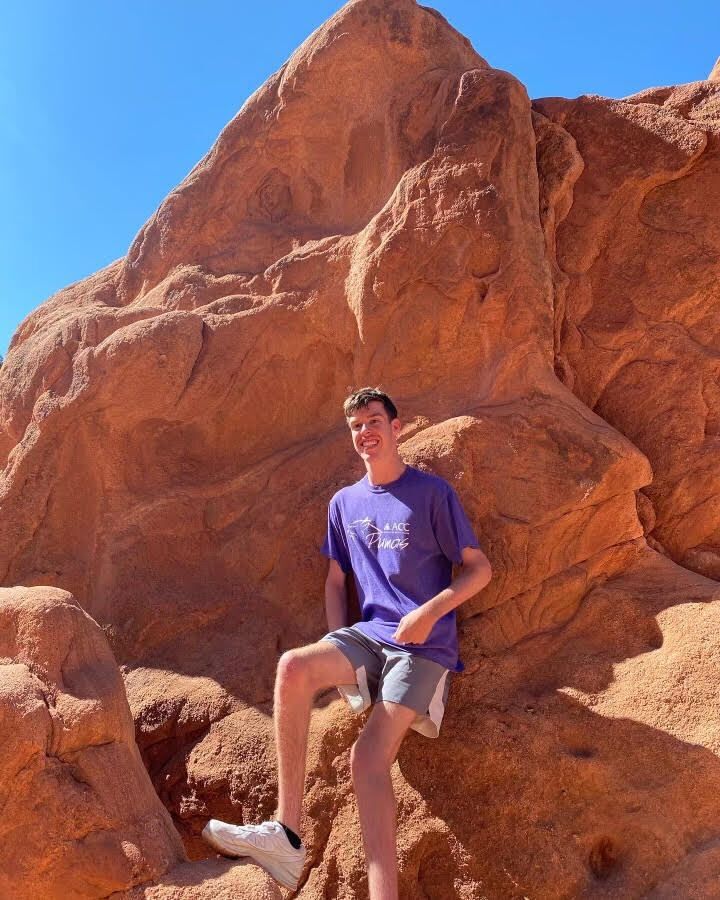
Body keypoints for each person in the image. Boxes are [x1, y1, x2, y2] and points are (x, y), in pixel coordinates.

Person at [202, 387, 492, 897]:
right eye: (356, 426)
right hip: (368, 635)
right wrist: (337, 647)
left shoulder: (431, 493)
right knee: (293, 667)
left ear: (397, 428)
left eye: (375, 421)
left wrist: (428, 614)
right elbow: (337, 582)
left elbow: (478, 569)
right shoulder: (343, 504)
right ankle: (286, 836)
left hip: (423, 647)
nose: (366, 432)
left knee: (366, 760)